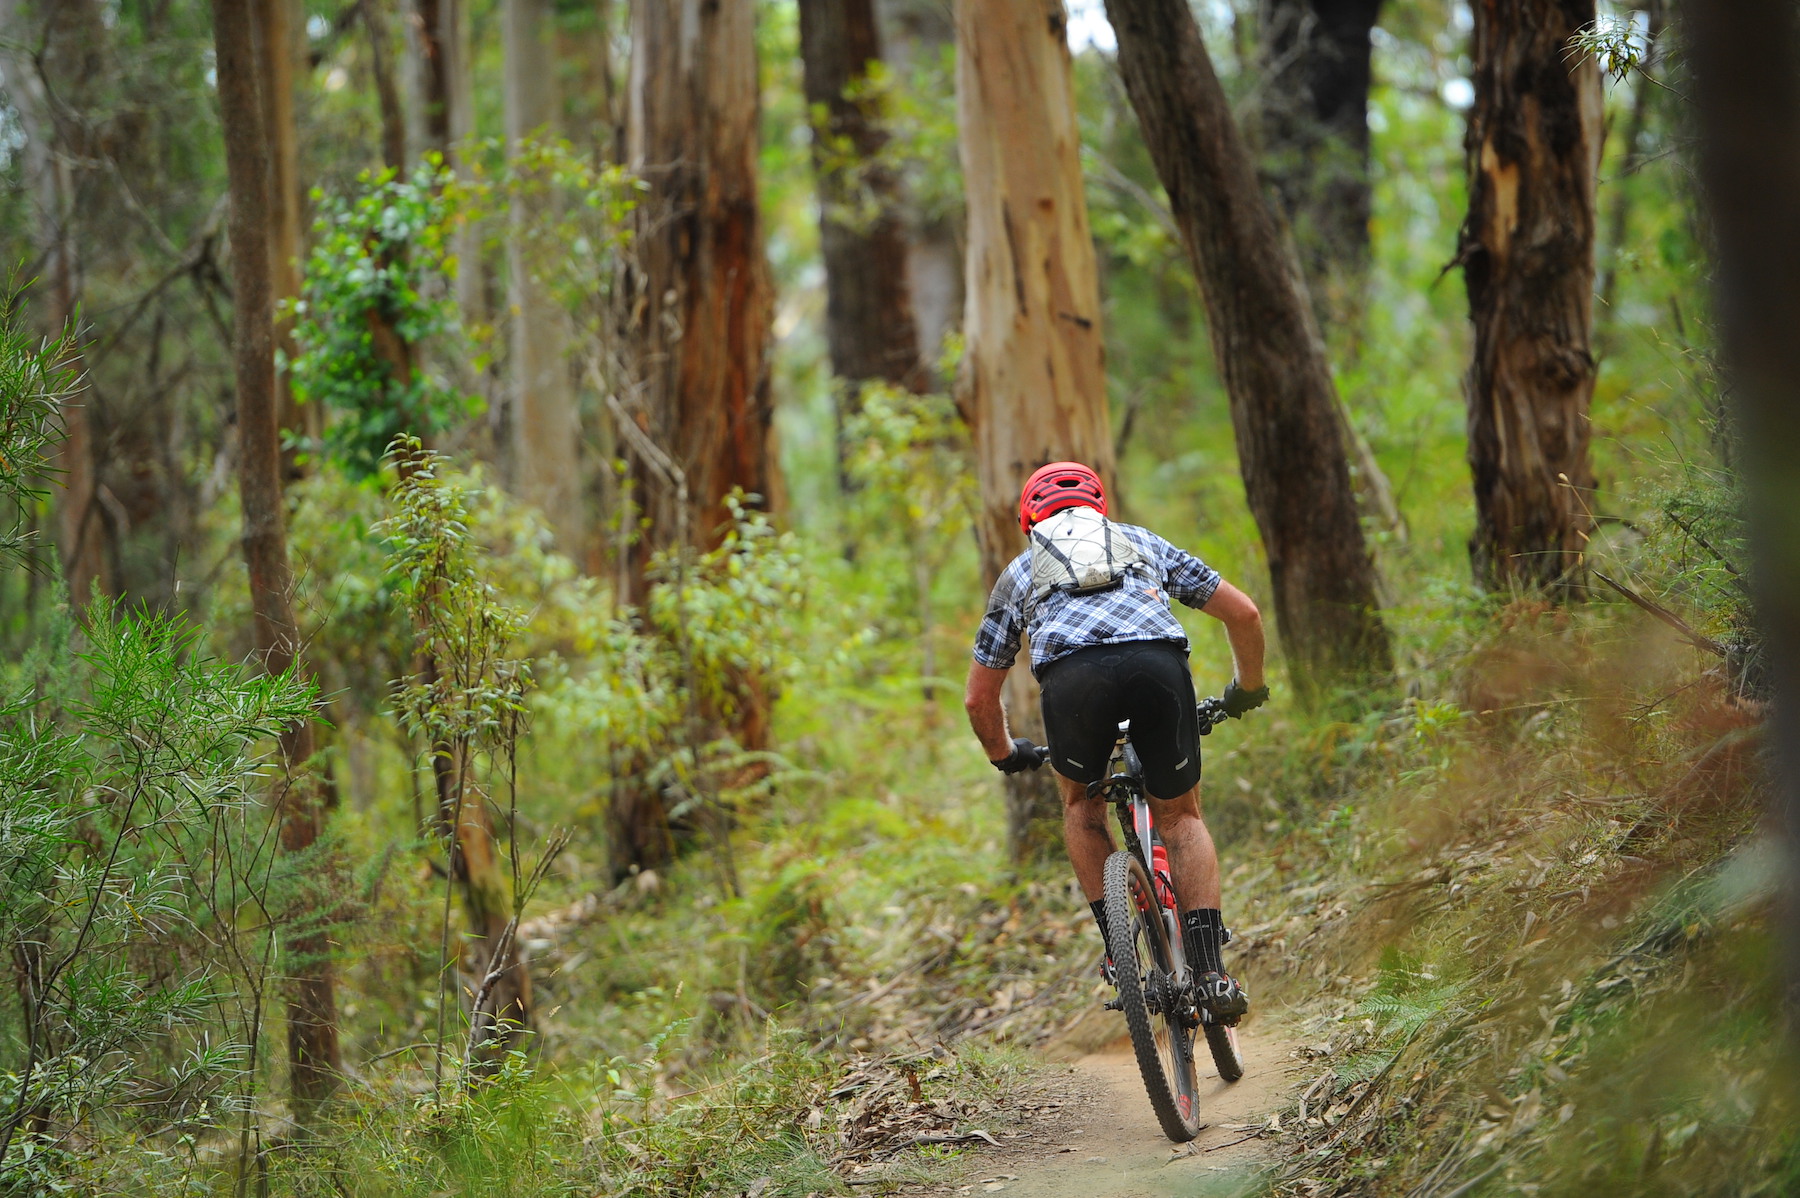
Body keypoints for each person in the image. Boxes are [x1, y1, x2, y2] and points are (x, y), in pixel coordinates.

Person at [963, 461, 1267, 1021]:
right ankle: (1211, 973)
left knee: (1082, 808)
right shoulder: (1139, 542)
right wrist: (1247, 689)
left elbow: (979, 699)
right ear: (1098, 504)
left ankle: (1117, 951)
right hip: (1158, 667)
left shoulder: (1020, 570)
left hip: (1074, 684)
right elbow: (1243, 612)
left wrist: (1005, 753)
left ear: (1030, 519)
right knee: (1181, 819)